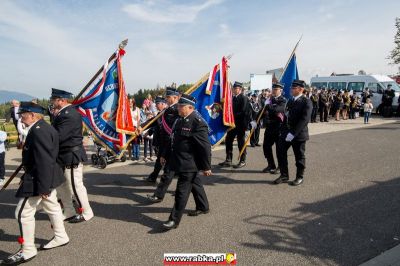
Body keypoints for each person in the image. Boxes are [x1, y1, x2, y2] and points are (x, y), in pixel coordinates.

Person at [1, 102, 69, 265]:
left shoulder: (39, 132)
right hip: (46, 176)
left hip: (39, 178)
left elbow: (44, 160)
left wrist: (43, 186)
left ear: (32, 115)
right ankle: (61, 236)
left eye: (23, 115)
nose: (20, 118)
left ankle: (28, 250)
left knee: (22, 213)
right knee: (52, 206)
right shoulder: (42, 128)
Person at [162, 94, 211, 230]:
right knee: (196, 185)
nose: (178, 108)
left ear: (190, 107)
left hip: (189, 164)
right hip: (178, 160)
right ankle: (203, 206)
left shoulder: (197, 122)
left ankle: (174, 220)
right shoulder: (179, 120)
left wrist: (206, 166)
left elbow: (205, 147)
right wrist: (165, 154)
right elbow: (172, 138)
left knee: (181, 192)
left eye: (181, 106)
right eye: (178, 105)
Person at [50, 88, 94, 223]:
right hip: (63, 155)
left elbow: (59, 136)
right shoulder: (63, 113)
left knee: (75, 186)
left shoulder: (68, 114)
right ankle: (69, 210)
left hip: (71, 154)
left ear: (62, 100)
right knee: (62, 185)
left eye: (54, 100)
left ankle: (87, 212)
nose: (52, 102)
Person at [275, 80, 312, 186]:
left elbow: (304, 120)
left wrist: (293, 133)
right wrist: (282, 131)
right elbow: (286, 117)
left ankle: (299, 177)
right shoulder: (290, 101)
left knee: (299, 156)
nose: (291, 89)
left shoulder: (306, 102)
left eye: (293, 88)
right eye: (291, 87)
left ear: (301, 89)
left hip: (298, 135)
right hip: (286, 132)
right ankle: (284, 175)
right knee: (280, 152)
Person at [147, 88, 180, 203]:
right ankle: (202, 204)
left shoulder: (177, 109)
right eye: (166, 97)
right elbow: (154, 121)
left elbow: (171, 131)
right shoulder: (168, 109)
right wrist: (142, 127)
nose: (166, 99)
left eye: (168, 97)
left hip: (174, 145)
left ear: (175, 97)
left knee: (171, 172)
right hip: (168, 144)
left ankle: (159, 194)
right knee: (186, 175)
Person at [218, 81, 251, 168]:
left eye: (235, 88)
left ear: (240, 89)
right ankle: (228, 159)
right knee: (228, 141)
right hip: (232, 124)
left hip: (240, 124)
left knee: (241, 142)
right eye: (233, 88)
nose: (233, 90)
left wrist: (231, 116)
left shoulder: (243, 98)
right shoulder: (231, 98)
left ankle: (242, 160)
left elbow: (243, 112)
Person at [261, 83, 286, 174]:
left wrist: (268, 105)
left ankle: (280, 167)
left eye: (276, 89)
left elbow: (277, 110)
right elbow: (262, 111)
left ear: (281, 91)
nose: (274, 91)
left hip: (279, 127)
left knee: (279, 149)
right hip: (269, 127)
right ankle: (271, 165)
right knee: (266, 146)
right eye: (273, 89)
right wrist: (256, 120)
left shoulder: (283, 100)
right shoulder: (269, 100)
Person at [143, 96, 168, 183]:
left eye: (157, 104)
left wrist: (148, 131)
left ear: (163, 104)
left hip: (164, 142)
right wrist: (147, 132)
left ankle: (164, 179)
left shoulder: (166, 114)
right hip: (159, 141)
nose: (156, 106)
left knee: (165, 163)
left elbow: (158, 125)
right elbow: (155, 124)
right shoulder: (160, 113)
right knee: (159, 161)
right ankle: (153, 177)